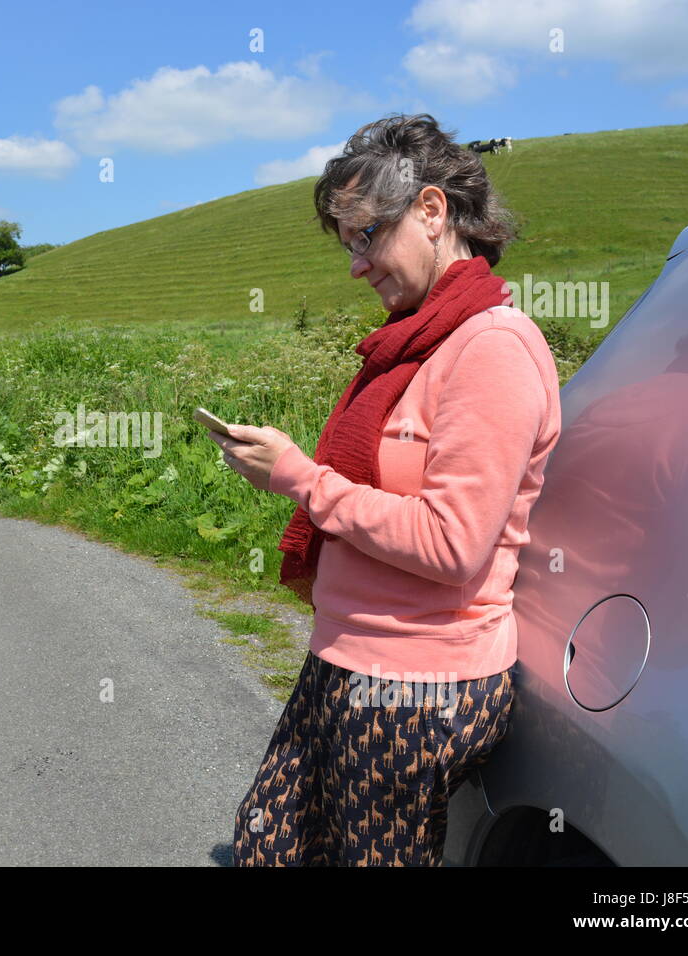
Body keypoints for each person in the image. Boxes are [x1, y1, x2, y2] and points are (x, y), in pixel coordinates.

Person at [209, 113, 562, 866]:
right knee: (268, 843)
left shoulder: (490, 348)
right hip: (350, 656)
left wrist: (301, 479)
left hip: (416, 682)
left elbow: (452, 544)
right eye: (348, 245)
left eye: (367, 236)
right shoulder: (417, 342)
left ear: (431, 212)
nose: (356, 265)